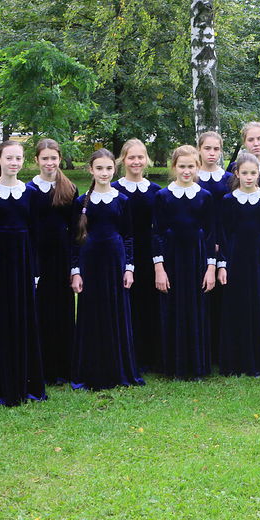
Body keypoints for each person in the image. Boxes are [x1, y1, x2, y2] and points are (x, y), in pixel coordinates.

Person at [0, 141, 46, 405]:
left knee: (24, 319)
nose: (14, 163)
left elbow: (36, 235)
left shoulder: (31, 194)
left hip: (23, 263)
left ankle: (27, 382)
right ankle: (0, 385)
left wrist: (35, 271)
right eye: (9, 158)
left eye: (18, 158)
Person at [70, 149, 142, 390]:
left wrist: (129, 268)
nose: (104, 173)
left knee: (116, 311)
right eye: (99, 168)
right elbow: (75, 240)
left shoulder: (122, 200)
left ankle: (117, 369)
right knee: (92, 313)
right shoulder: (81, 202)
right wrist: (75, 271)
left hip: (115, 263)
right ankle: (92, 370)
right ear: (91, 170)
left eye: (109, 168)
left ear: (114, 169)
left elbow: (128, 236)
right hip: (90, 264)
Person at [152, 145, 217, 380]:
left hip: (197, 259)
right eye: (182, 166)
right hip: (172, 259)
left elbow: (210, 234)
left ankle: (197, 366)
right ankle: (175, 366)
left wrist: (211, 268)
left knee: (196, 309)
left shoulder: (205, 196)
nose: (186, 171)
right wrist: (159, 268)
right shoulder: (163, 196)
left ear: (198, 167)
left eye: (191, 166)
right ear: (174, 167)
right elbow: (156, 234)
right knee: (173, 309)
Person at [217, 152, 260, 377]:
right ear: (237, 174)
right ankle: (236, 362)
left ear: (259, 174)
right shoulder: (228, 200)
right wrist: (222, 264)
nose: (249, 177)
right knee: (236, 307)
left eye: (253, 173)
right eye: (245, 173)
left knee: (258, 305)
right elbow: (224, 234)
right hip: (235, 259)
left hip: (258, 259)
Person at [27, 139, 79, 384]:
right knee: (41, 311)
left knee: (63, 311)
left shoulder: (69, 189)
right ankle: (43, 368)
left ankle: (65, 367)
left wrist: (74, 265)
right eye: (45, 158)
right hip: (38, 257)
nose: (49, 162)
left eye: (53, 158)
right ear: (36, 160)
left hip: (61, 257)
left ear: (59, 159)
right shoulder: (29, 190)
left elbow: (75, 230)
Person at [113, 139, 162, 373]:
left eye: (140, 157)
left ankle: (150, 356)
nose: (136, 161)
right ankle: (128, 356)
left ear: (147, 159)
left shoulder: (155, 191)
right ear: (123, 160)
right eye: (131, 157)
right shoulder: (114, 189)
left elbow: (158, 227)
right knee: (126, 303)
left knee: (149, 303)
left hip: (148, 253)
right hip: (122, 253)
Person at [196, 130, 233, 363]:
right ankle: (203, 348)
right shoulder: (192, 175)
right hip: (199, 243)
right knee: (203, 293)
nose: (212, 153)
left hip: (226, 241)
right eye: (207, 148)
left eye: (216, 149)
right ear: (199, 149)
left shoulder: (228, 178)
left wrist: (222, 241)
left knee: (223, 295)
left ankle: (221, 349)